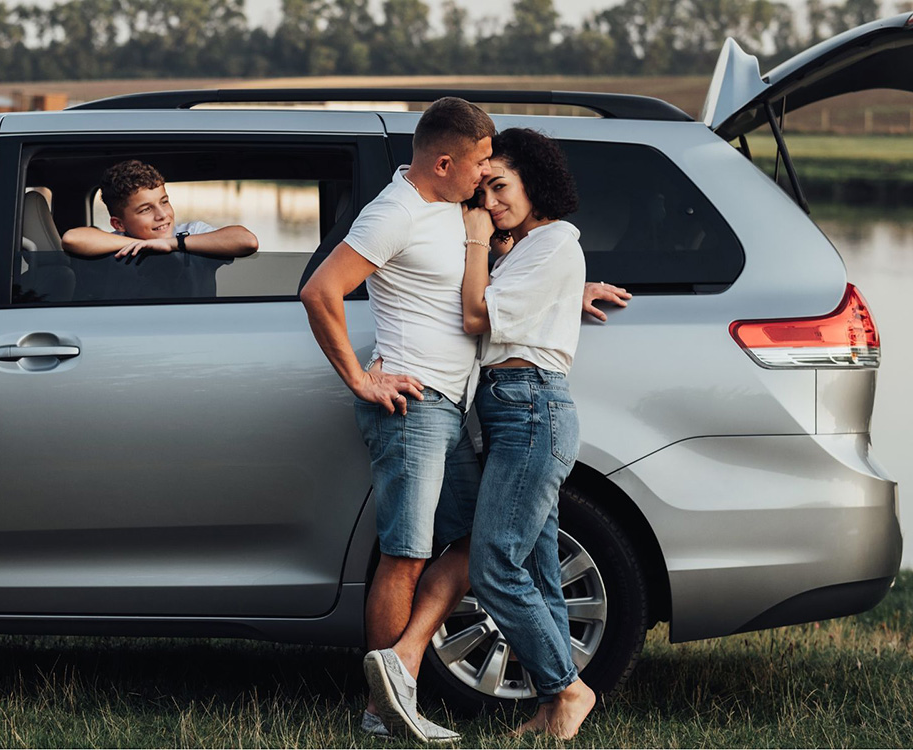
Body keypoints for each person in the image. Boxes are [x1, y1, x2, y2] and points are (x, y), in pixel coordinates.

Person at [301, 96, 495, 743]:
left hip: (448, 407)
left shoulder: (446, 207)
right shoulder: (395, 212)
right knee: (405, 556)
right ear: (443, 162)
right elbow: (321, 290)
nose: (484, 175)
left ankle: (403, 659)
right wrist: (360, 378)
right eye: (479, 163)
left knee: (477, 540)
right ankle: (383, 713)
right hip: (411, 410)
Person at [459, 127, 613, 740]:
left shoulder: (552, 244)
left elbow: (476, 316)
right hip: (511, 409)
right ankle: (554, 706)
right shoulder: (528, 248)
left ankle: (569, 689)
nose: (490, 203)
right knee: (542, 568)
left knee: (493, 561)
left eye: (500, 188)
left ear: (535, 183)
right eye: (482, 192)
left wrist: (475, 241)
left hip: (530, 410)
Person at [60, 159, 257, 298]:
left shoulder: (191, 232)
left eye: (164, 202)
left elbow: (247, 241)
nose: (162, 214)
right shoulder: (116, 241)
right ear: (119, 224)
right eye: (146, 209)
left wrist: (172, 244)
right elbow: (72, 239)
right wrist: (145, 244)